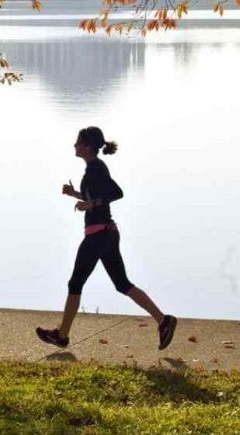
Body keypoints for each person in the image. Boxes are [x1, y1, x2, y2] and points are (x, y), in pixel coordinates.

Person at [36, 126, 177, 350]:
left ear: (89, 147)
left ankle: (62, 335)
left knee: (75, 283)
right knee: (122, 284)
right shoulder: (94, 168)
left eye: (78, 143)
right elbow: (100, 196)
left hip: (98, 235)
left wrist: (90, 204)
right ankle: (163, 320)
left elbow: (115, 194)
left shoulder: (96, 168)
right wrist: (76, 195)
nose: (75, 146)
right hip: (107, 233)